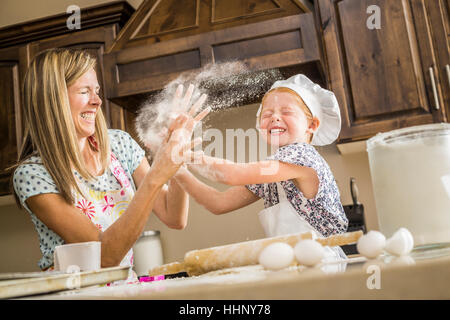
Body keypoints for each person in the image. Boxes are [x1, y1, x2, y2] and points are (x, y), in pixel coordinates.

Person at [10, 48, 208, 278]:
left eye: (97, 91)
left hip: (124, 289)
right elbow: (104, 256)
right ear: (52, 100)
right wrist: (156, 174)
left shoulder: (120, 145)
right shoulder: (33, 175)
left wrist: (176, 155)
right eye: (84, 91)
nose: (96, 101)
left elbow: (174, 216)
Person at [174, 74, 349, 268]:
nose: (274, 117)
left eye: (286, 111)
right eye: (267, 114)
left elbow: (233, 174)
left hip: (320, 265)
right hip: (291, 267)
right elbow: (219, 203)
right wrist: (177, 171)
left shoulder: (303, 156)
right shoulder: (273, 172)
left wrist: (183, 154)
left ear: (312, 125)